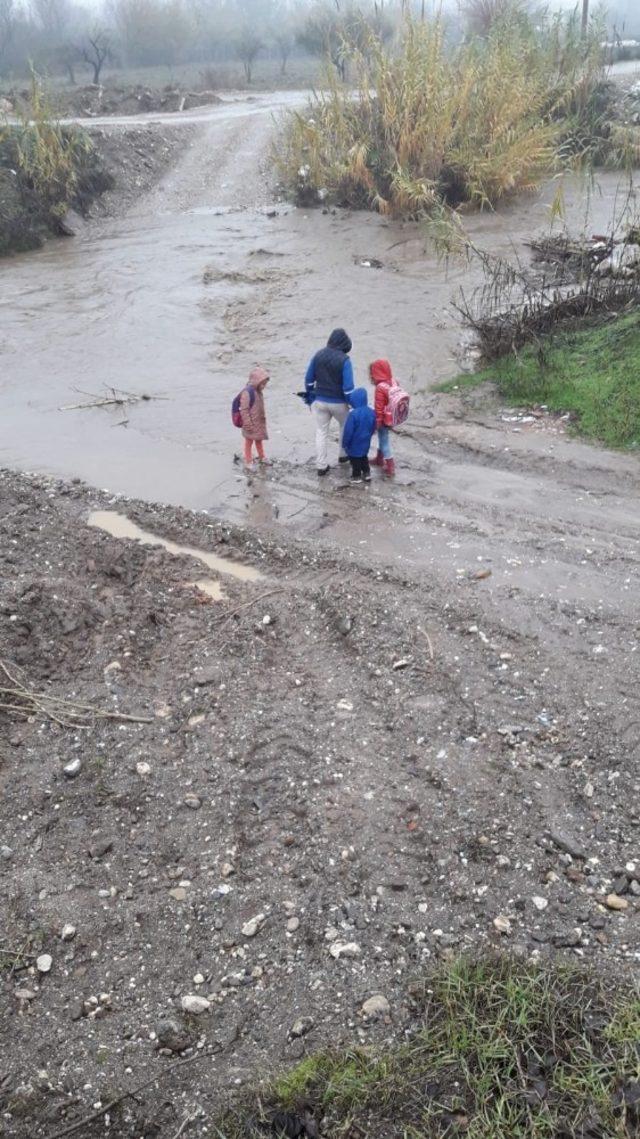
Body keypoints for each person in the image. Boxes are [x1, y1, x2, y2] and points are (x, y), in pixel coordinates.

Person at [304, 328, 354, 476]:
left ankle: (321, 465)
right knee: (344, 426)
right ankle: (343, 455)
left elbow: (308, 380)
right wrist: (352, 403)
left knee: (321, 432)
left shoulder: (318, 355)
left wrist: (310, 397)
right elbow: (348, 388)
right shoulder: (345, 360)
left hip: (320, 401)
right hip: (339, 403)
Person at [342, 388, 377, 483]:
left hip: (354, 442)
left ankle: (356, 476)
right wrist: (370, 433)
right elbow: (374, 425)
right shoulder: (371, 412)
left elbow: (348, 431)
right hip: (366, 440)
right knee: (364, 456)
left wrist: (345, 443)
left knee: (355, 459)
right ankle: (367, 473)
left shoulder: (353, 414)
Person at [369, 358, 396, 477]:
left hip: (384, 419)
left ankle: (390, 466)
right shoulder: (394, 382)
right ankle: (379, 459)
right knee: (383, 438)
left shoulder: (380, 387)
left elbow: (379, 407)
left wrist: (377, 423)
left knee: (384, 440)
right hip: (393, 417)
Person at [240, 366, 270, 468]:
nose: (264, 386)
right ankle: (248, 461)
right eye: (263, 384)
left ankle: (262, 457)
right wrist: (248, 424)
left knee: (259, 440)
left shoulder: (258, 391)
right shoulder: (247, 392)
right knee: (249, 442)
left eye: (265, 384)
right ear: (256, 381)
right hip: (250, 423)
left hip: (258, 422)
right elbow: (244, 410)